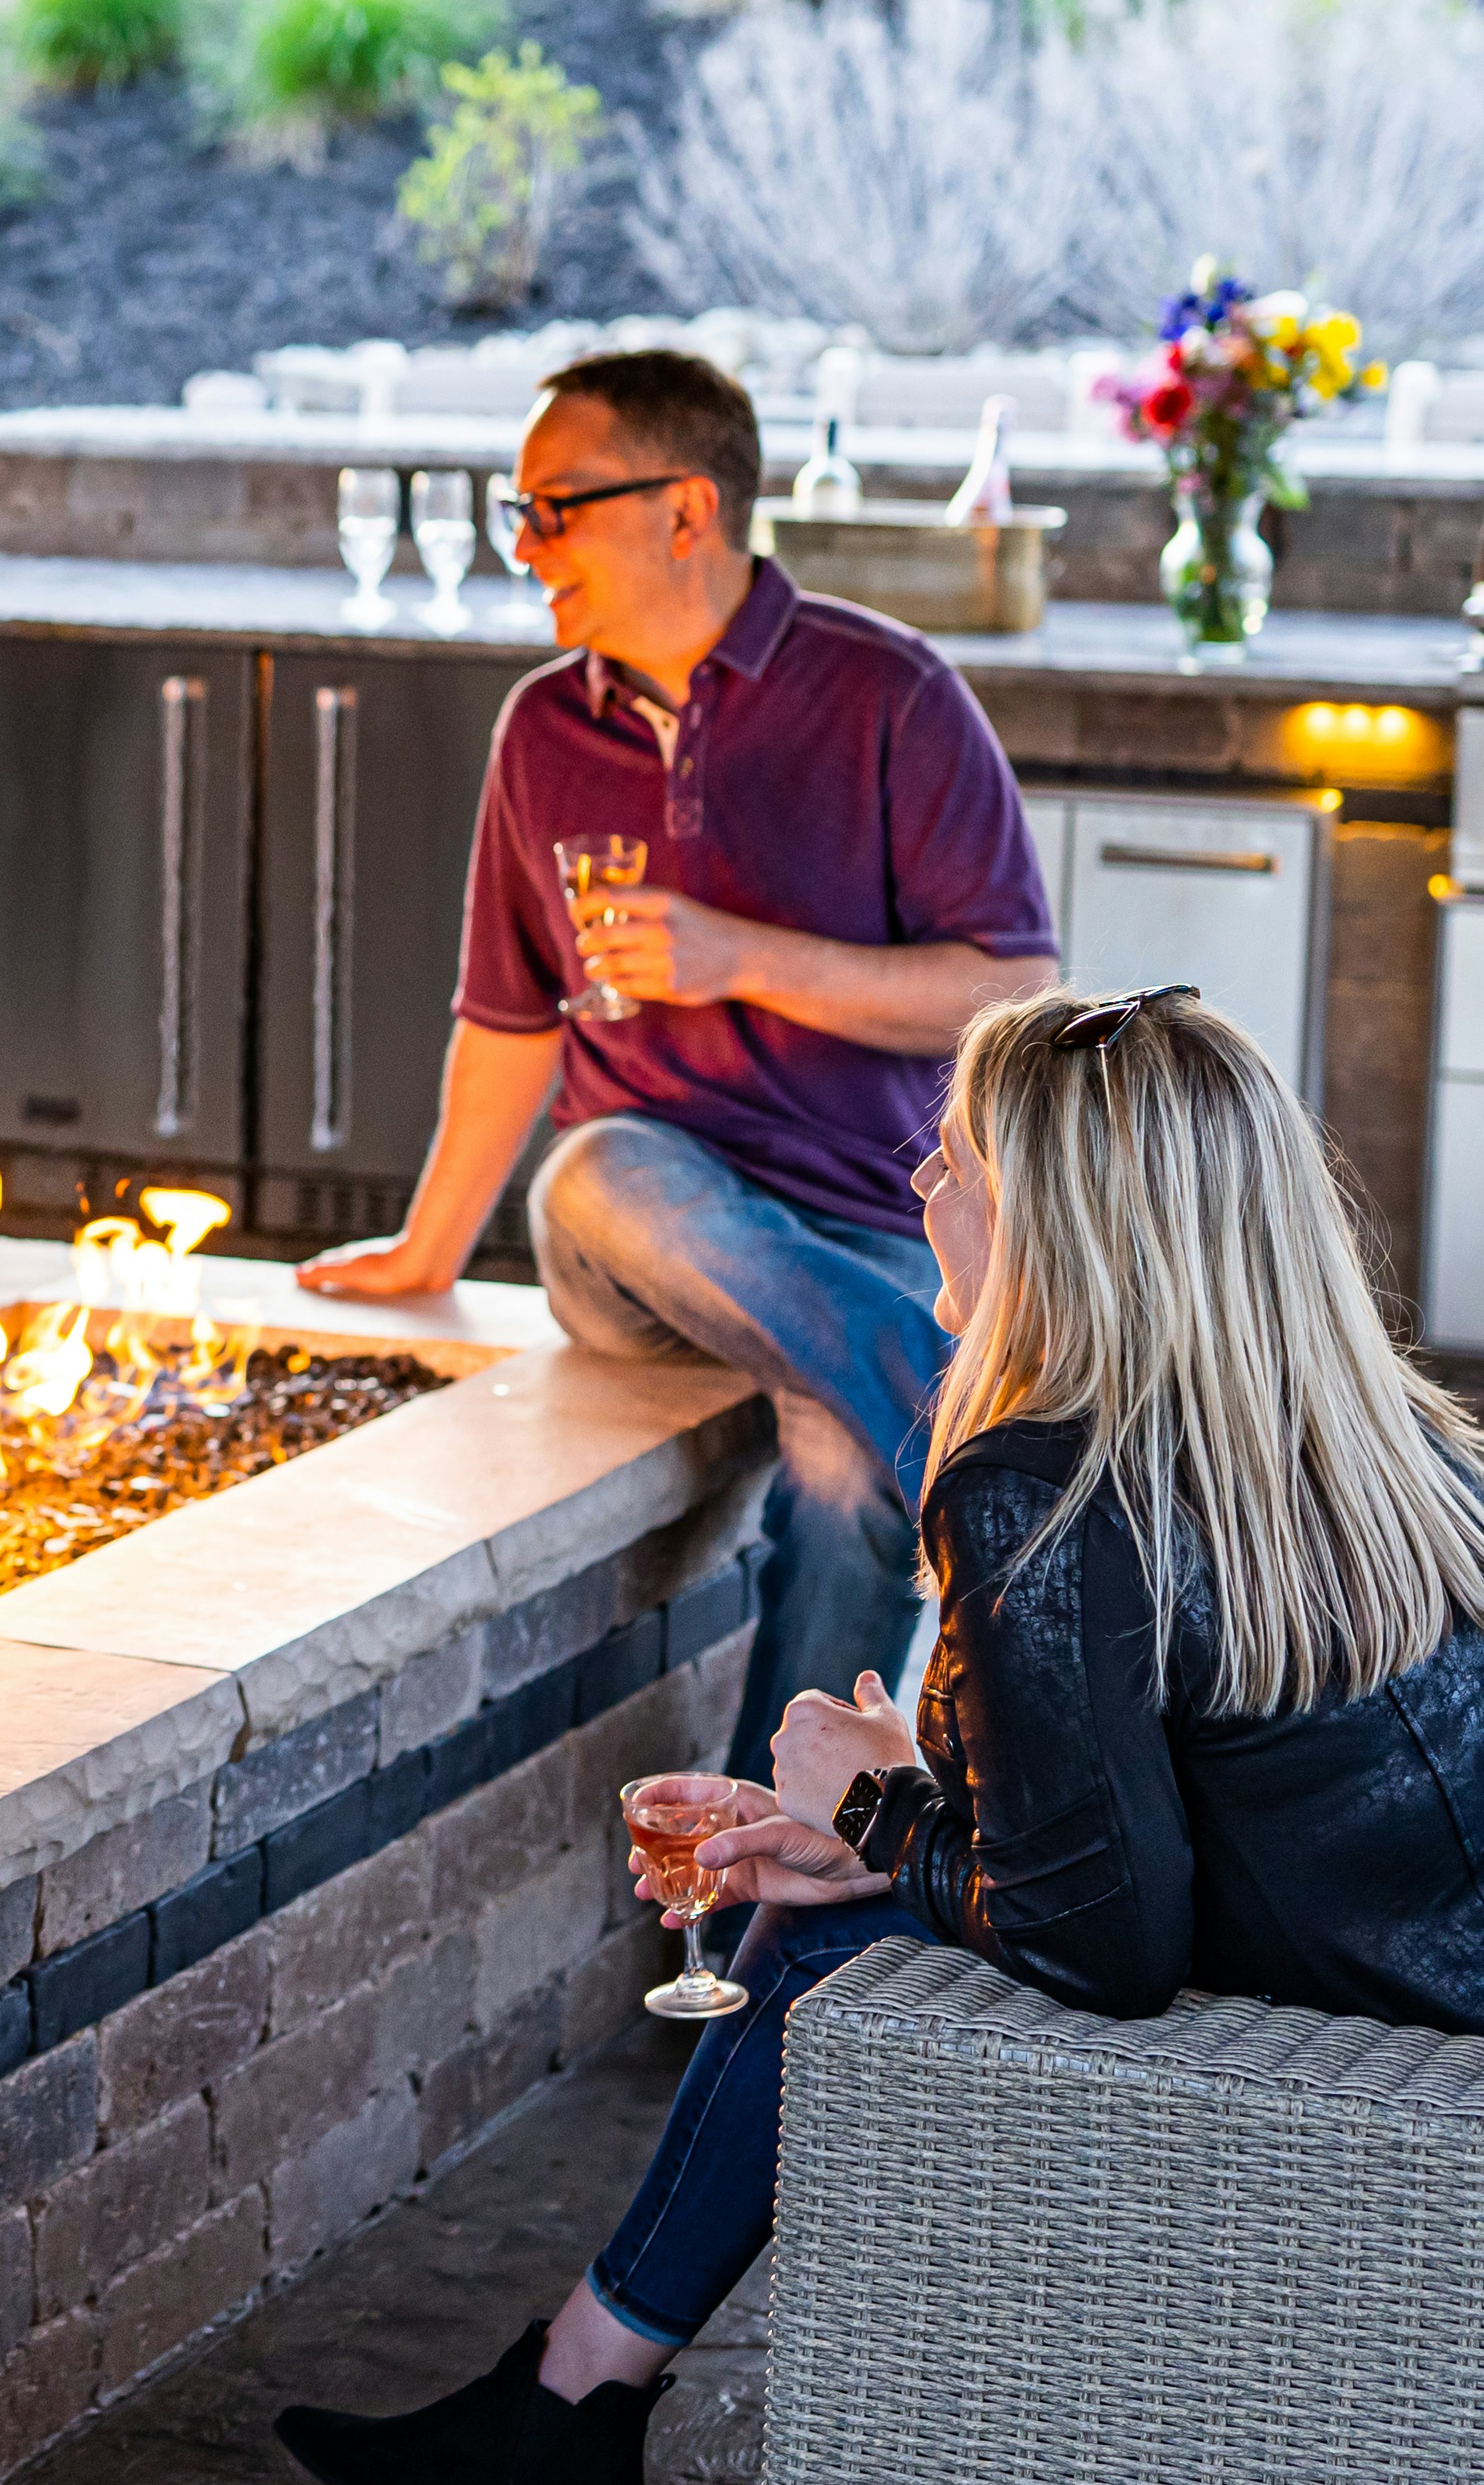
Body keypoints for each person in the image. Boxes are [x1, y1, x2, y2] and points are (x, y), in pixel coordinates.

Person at [273, 985, 1484, 2485]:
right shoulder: (1332, 1414)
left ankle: (570, 2401)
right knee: (842, 1895)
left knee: (829, 1951)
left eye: (950, 1158)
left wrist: (883, 1821)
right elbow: (1244, 1753)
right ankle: (571, 2393)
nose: (916, 1192)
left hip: (1464, 2111)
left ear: (1056, 1227)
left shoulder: (1039, 1476)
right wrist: (919, 1791)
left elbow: (1106, 1945)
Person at [302, 349, 1061, 1779]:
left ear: (684, 508)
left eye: (551, 506)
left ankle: (769, 1903)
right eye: (515, 508)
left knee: (844, 1481)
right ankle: (971, 1445)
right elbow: (512, 1016)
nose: (522, 543)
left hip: (863, 1224)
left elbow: (1016, 989)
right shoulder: (541, 726)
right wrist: (427, 1247)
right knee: (595, 1166)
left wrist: (739, 955)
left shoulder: (890, 694)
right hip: (640, 1231)